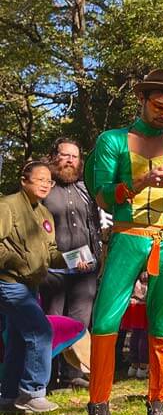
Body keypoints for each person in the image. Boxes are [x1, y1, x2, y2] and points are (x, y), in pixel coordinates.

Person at [72, 69, 163, 415]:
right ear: (142, 100)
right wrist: (139, 184)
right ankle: (99, 414)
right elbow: (101, 195)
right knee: (106, 322)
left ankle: (157, 412)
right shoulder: (111, 141)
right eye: (160, 106)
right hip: (127, 237)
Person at [0, 159, 64, 413]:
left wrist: (74, 259)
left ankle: (8, 394)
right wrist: (15, 261)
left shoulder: (44, 213)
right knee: (40, 332)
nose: (45, 185)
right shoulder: (7, 206)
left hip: (30, 286)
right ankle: (33, 392)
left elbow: (50, 251)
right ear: (24, 180)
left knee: (17, 339)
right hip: (9, 282)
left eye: (49, 180)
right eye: (40, 179)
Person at [40, 138, 102, 389]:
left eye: (74, 157)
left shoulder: (86, 190)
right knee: (51, 321)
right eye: (65, 155)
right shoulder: (44, 188)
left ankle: (73, 374)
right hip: (51, 269)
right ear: (55, 157)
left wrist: (97, 257)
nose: (69, 160)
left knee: (79, 321)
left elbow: (94, 226)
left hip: (84, 268)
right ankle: (46, 376)